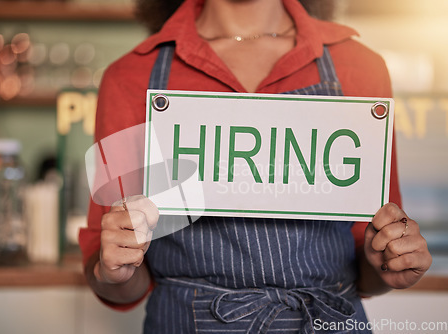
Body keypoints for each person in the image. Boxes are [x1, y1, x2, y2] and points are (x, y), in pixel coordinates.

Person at [79, 0, 433, 332]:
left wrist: (389, 264)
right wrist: (117, 269)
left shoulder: (359, 67)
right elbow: (115, 277)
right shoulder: (129, 77)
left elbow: (371, 263)